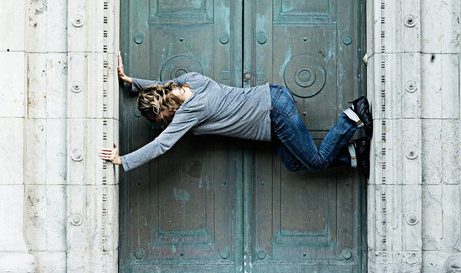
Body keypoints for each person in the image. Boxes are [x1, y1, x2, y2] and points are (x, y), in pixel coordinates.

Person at [99, 52, 372, 177]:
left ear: (166, 109)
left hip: (273, 112)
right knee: (293, 163)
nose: (166, 122)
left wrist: (122, 160)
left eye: (162, 119)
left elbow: (162, 145)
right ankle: (353, 154)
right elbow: (159, 88)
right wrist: (130, 81)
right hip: (271, 104)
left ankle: (352, 115)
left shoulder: (189, 112)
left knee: (315, 161)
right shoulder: (187, 81)